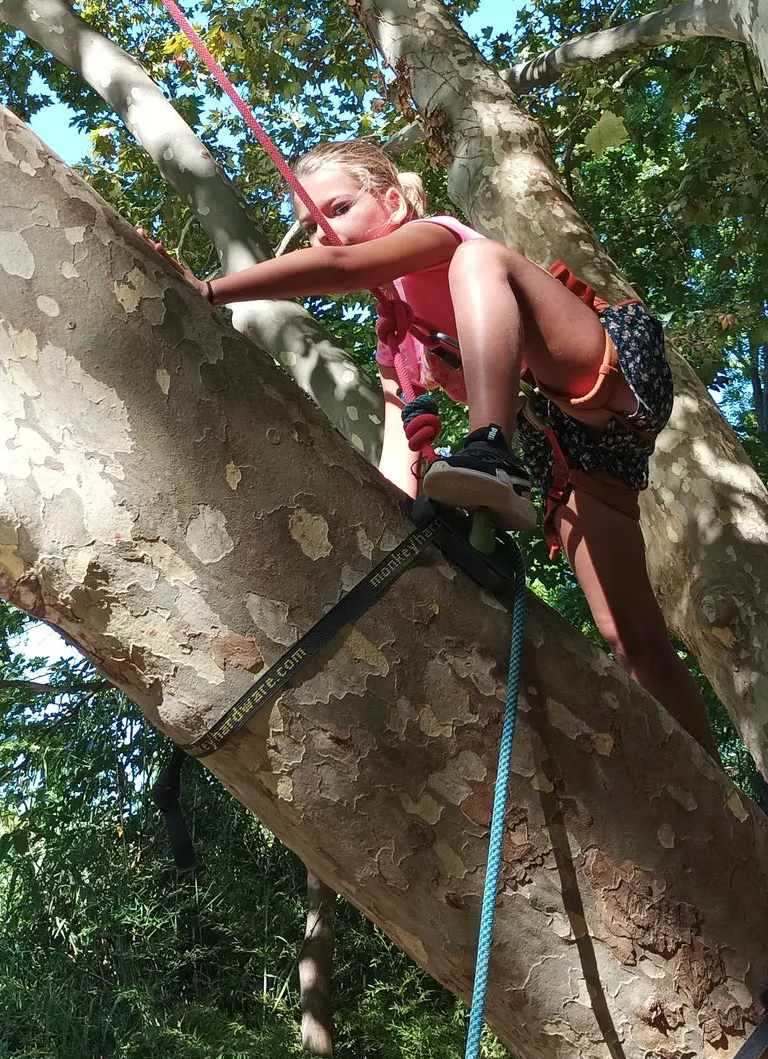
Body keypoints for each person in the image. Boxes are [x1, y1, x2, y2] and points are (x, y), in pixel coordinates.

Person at [200, 139, 716, 754]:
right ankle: (722, 794)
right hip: (571, 446)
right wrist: (386, 535)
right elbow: (397, 446)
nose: (324, 233)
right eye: (312, 226)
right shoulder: (397, 340)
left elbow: (342, 268)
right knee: (629, 637)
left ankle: (489, 446)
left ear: (393, 202)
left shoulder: (435, 237)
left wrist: (209, 290)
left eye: (337, 209)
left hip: (601, 369)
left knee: (478, 260)